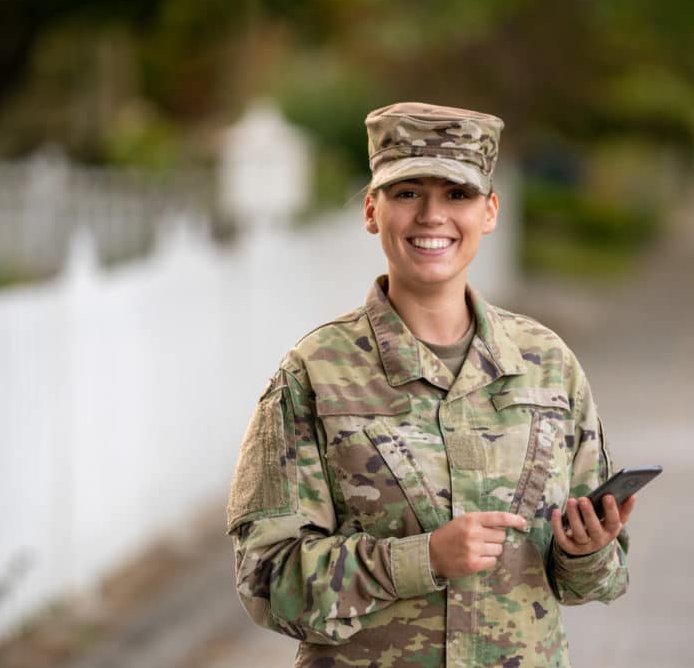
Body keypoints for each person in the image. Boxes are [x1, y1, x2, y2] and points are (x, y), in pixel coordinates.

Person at [226, 101, 635, 668]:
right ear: (373, 210)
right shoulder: (314, 372)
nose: (431, 216)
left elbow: (598, 581)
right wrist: (424, 559)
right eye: (408, 192)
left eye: (457, 195)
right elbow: (265, 581)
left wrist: (586, 551)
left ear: (490, 211)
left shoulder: (547, 365)